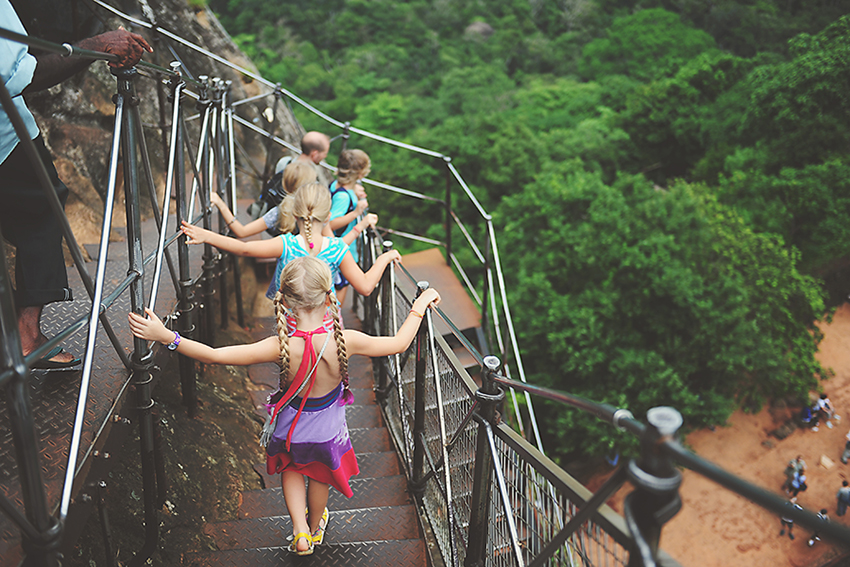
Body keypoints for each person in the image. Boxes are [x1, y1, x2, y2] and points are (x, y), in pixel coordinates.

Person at [128, 256, 441, 555]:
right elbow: (399, 344)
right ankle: (315, 527)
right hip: (327, 432)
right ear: (329, 296)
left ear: (286, 301)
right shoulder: (346, 339)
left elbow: (215, 355)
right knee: (319, 477)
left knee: (291, 470)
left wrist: (166, 335)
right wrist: (418, 306)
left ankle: (300, 530)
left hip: (291, 430)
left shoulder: (278, 345)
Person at [0, 0, 151, 369]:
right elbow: (18, 74)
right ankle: (26, 336)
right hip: (6, 139)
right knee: (42, 209)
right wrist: (98, 46)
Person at [181, 182, 399, 311]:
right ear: (328, 217)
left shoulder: (286, 244)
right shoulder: (337, 248)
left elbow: (244, 248)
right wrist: (385, 258)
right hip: (325, 327)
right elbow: (366, 287)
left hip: (290, 324)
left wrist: (207, 235)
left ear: (295, 214)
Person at [210, 160, 376, 241]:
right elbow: (336, 247)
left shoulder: (279, 212)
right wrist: (360, 222)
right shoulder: (318, 213)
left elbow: (242, 232)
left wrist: (220, 202)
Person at [328, 149, 371, 306]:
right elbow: (331, 223)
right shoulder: (343, 196)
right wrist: (356, 213)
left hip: (340, 248)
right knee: (340, 288)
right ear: (360, 174)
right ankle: (334, 323)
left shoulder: (335, 186)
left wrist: (354, 190)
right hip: (342, 251)